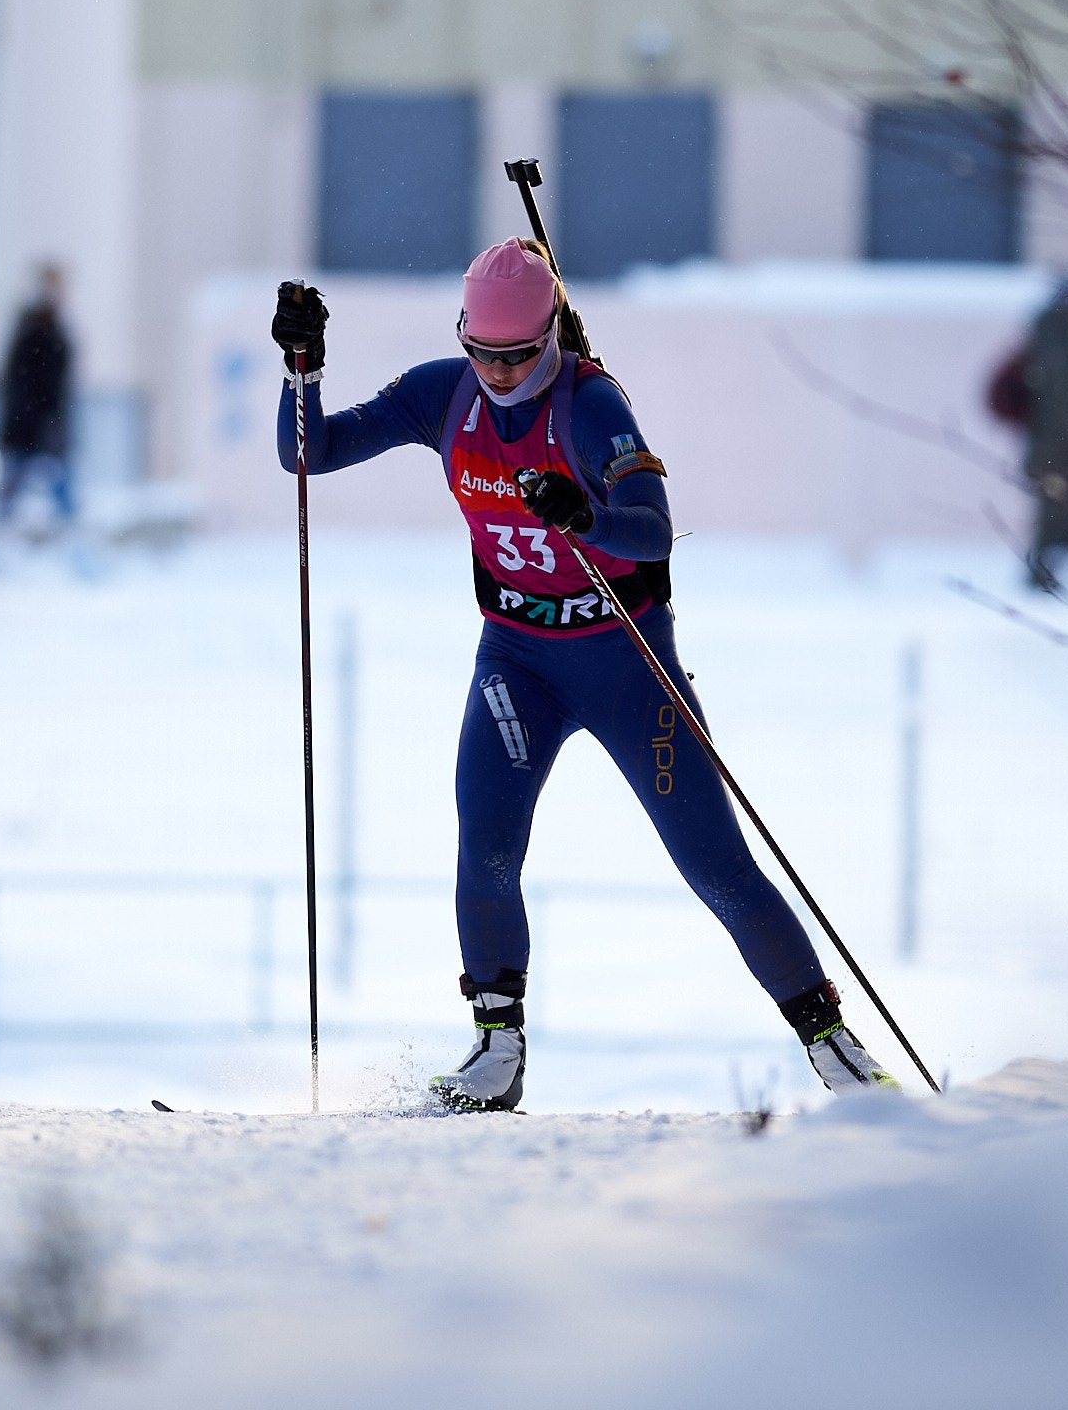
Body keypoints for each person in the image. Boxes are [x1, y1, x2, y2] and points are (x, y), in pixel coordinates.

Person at [270, 240, 898, 1110]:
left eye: (516, 354)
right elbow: (312, 454)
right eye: (479, 351)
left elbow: (650, 530)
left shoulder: (591, 405)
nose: (495, 371)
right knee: (484, 848)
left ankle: (832, 1045)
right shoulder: (443, 394)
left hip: (626, 660)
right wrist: (303, 372)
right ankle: (498, 1048)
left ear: (550, 338)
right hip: (518, 659)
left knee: (715, 864)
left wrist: (589, 513)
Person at [990, 277, 1068, 591]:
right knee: (1054, 515)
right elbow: (1060, 407)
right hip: (1055, 450)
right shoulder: (1055, 347)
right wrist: (1067, 445)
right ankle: (1040, 577)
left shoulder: (1055, 342)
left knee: (1058, 514)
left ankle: (1044, 575)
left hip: (1056, 448)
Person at [0, 262, 75, 522]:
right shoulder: (31, 330)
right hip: (27, 426)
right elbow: (19, 383)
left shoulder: (57, 330)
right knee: (9, 497)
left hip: (48, 427)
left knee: (62, 499)